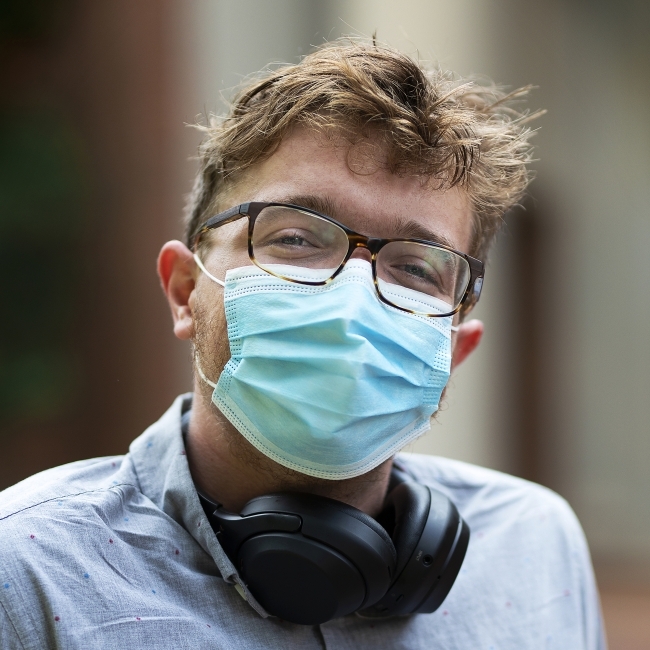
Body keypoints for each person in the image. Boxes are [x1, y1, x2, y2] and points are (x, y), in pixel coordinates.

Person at [0, 41, 605, 649]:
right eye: (295, 237)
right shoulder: (28, 574)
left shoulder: (535, 549)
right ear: (185, 292)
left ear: (455, 351)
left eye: (417, 269)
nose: (352, 299)